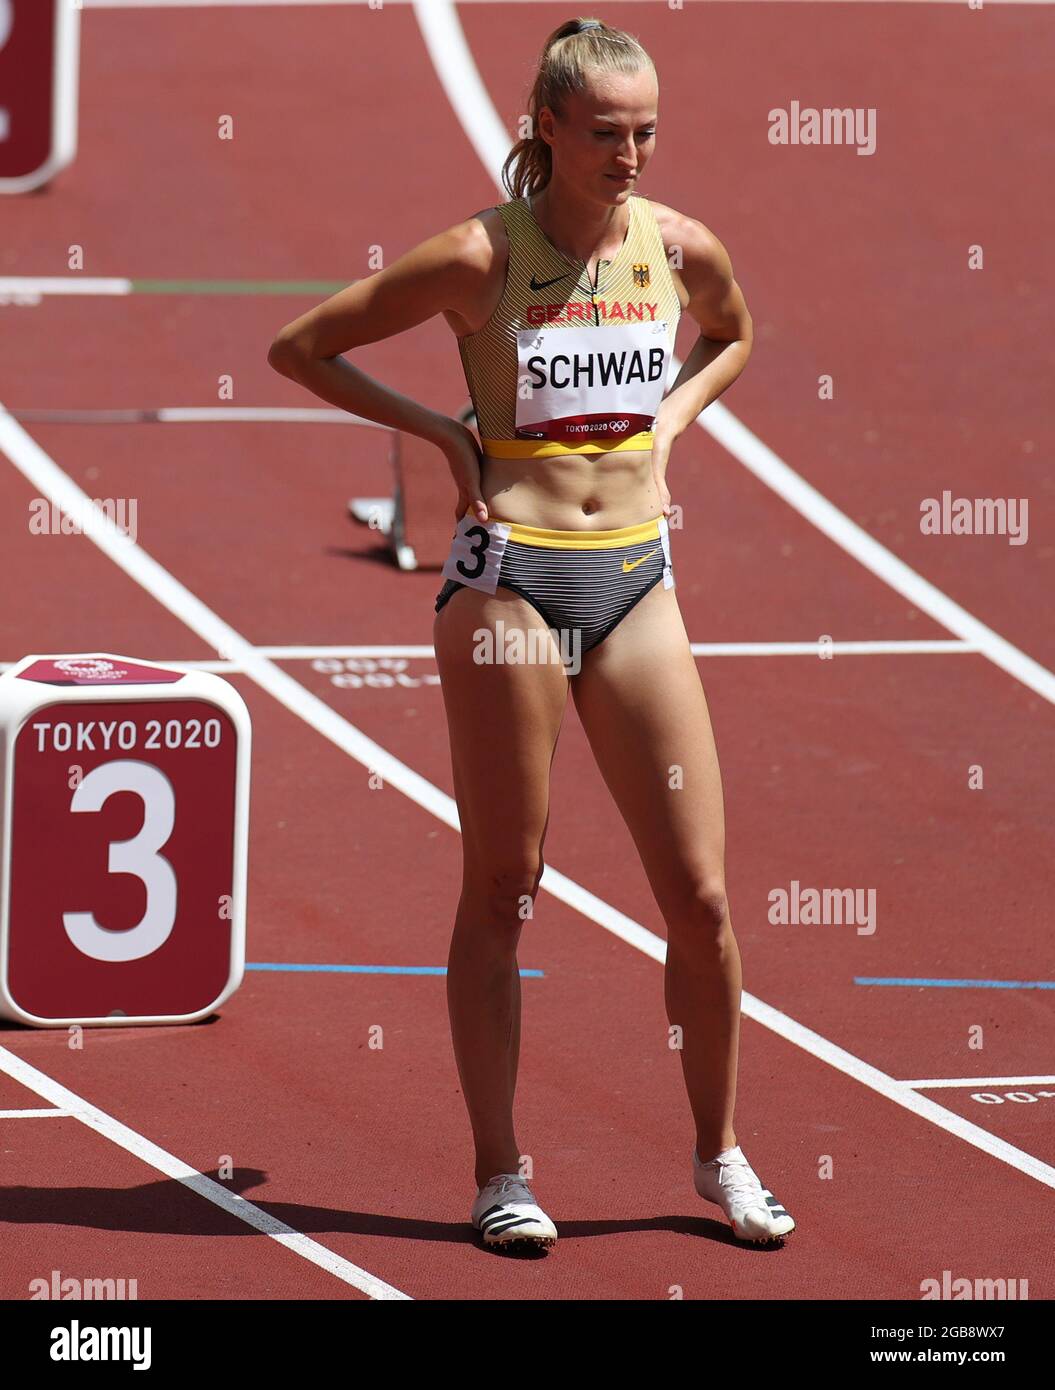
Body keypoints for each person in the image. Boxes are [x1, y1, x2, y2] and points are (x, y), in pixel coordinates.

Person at [268, 15, 795, 1252]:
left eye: (646, 132)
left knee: (704, 899)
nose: (629, 155)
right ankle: (499, 1170)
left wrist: (666, 427)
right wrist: (447, 437)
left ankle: (720, 1154)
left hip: (635, 583)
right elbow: (302, 348)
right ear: (543, 127)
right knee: (505, 887)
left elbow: (730, 335)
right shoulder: (473, 258)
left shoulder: (676, 247)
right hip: (507, 586)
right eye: (604, 132)